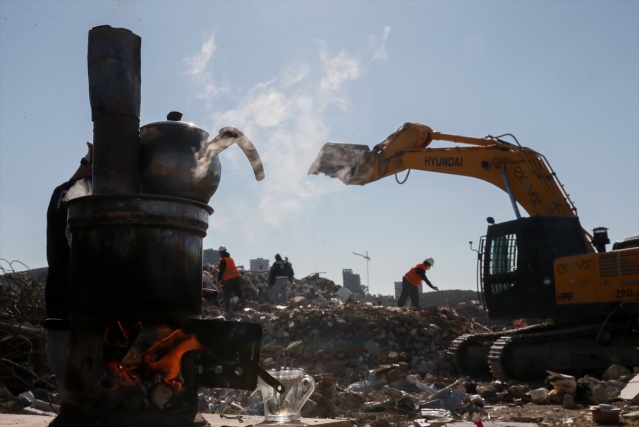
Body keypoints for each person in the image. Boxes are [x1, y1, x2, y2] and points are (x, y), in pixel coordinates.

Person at [44, 141, 93, 395]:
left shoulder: (64, 193)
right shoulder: (78, 195)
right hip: (75, 308)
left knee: (72, 389)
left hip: (64, 306)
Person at [217, 246, 247, 312]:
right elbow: (226, 266)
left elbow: (221, 271)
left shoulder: (223, 260)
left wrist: (218, 280)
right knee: (239, 293)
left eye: (219, 253)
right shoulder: (230, 259)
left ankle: (227, 310)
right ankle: (244, 306)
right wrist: (217, 266)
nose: (219, 255)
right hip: (236, 277)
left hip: (229, 279)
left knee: (226, 294)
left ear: (221, 253)